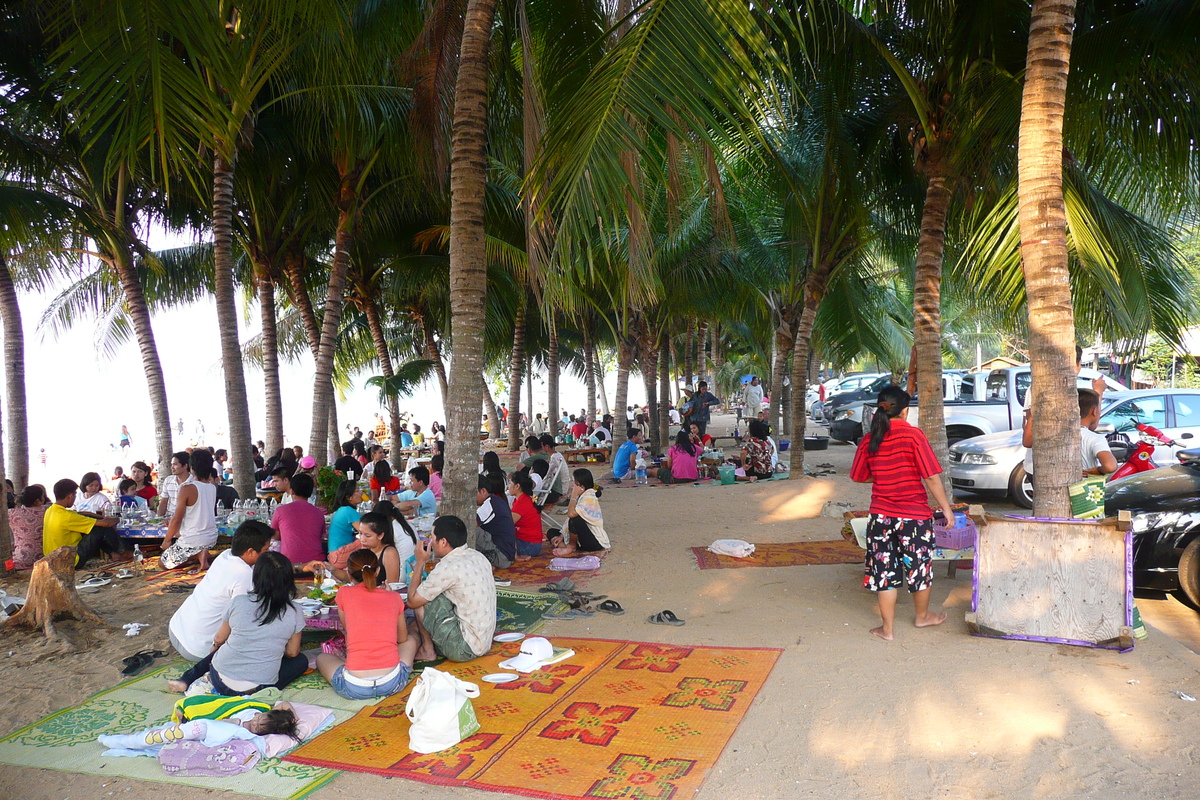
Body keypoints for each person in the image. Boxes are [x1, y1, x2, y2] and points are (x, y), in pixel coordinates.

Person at [849, 386, 954, 642]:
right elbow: (930, 476)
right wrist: (947, 509)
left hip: (881, 517)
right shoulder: (913, 436)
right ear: (905, 411)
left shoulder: (870, 438)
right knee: (919, 568)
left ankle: (887, 630)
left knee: (885, 572)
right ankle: (922, 617)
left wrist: (884, 475)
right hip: (914, 518)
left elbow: (858, 476)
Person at [167, 552, 308, 696]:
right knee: (301, 661)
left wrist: (217, 648)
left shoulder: (238, 601)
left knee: (222, 649)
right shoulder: (294, 610)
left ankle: (186, 679)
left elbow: (219, 639)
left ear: (256, 577)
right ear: (288, 580)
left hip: (220, 680)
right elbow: (292, 652)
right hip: (259, 687)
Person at [317, 549, 417, 700]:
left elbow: (348, 632)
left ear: (349, 574)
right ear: (377, 571)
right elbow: (402, 638)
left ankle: (349, 663)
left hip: (353, 687)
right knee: (411, 640)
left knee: (322, 658)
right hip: (392, 682)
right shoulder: (394, 597)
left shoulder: (343, 593)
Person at [168, 521, 274, 661]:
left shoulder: (226, 555)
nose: (269, 553)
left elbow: (271, 568)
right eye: (266, 550)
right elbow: (241, 622)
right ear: (250, 552)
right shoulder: (243, 575)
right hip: (198, 648)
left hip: (176, 629)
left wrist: (299, 567)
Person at [406, 515, 496, 663]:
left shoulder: (448, 566)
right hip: (483, 641)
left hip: (463, 648)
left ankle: (427, 650)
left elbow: (412, 601)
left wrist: (420, 561)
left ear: (443, 542)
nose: (431, 543)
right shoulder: (477, 555)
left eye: (432, 538)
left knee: (422, 599)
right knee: (432, 593)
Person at [305, 511, 404, 587]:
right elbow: (350, 575)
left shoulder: (389, 553)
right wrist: (332, 569)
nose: (362, 539)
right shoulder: (364, 550)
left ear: (381, 535)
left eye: (367, 536)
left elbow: (392, 585)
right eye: (360, 533)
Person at [161, 450, 219, 571]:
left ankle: (198, 555)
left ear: (191, 467)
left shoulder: (187, 488)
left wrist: (167, 540)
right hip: (211, 537)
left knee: (162, 563)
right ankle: (200, 555)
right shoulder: (212, 487)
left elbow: (177, 519)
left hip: (194, 539)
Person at [43, 478, 121, 566]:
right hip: (70, 561)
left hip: (52, 558)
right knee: (98, 529)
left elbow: (81, 514)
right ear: (70, 495)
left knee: (91, 524)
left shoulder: (50, 510)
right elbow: (106, 523)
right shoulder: (68, 517)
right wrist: (117, 519)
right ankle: (120, 552)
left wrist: (97, 515)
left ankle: (112, 553)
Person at [270, 473, 326, 564]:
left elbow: (274, 536)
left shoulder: (280, 510)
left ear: (292, 491)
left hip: (289, 565)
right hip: (316, 563)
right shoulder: (319, 513)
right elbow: (320, 535)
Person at [552, 469, 610, 556]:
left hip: (594, 542)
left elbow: (571, 514)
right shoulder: (583, 495)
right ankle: (564, 545)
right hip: (581, 539)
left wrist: (574, 495)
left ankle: (570, 546)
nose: (572, 484)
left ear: (581, 486)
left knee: (575, 519)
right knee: (552, 532)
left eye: (574, 482)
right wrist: (562, 536)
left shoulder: (589, 497)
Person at [475, 474, 517, 569]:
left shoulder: (490, 503)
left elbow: (471, 524)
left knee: (468, 529)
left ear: (483, 491)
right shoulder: (497, 501)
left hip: (501, 556)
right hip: (507, 554)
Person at [1077, 388, 1118, 477]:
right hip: (1084, 488)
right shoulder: (1094, 439)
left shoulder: (1057, 434)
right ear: (1094, 411)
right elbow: (1110, 466)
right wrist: (1097, 470)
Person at [10, 484, 48, 570]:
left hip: (19, 560)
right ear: (38, 500)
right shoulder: (47, 511)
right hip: (43, 558)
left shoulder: (11, 514)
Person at [508, 470, 543, 561]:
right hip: (530, 543)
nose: (508, 487)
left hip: (529, 546)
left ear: (517, 486)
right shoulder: (523, 499)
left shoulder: (522, 502)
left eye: (510, 483)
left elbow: (507, 525)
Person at [327, 480, 362, 552]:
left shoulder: (343, 509)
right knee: (369, 539)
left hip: (334, 553)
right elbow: (366, 531)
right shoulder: (348, 511)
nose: (361, 492)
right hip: (340, 553)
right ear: (349, 497)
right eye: (357, 490)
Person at [158, 451, 191, 517]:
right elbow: (164, 501)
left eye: (175, 464)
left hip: (188, 517)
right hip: (171, 516)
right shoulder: (168, 480)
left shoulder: (194, 482)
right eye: (171, 464)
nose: (172, 467)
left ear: (185, 466)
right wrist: (159, 518)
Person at [539, 434, 570, 505]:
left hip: (558, 491)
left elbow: (548, 478)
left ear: (546, 447)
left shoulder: (554, 458)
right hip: (563, 487)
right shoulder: (557, 454)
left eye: (541, 446)